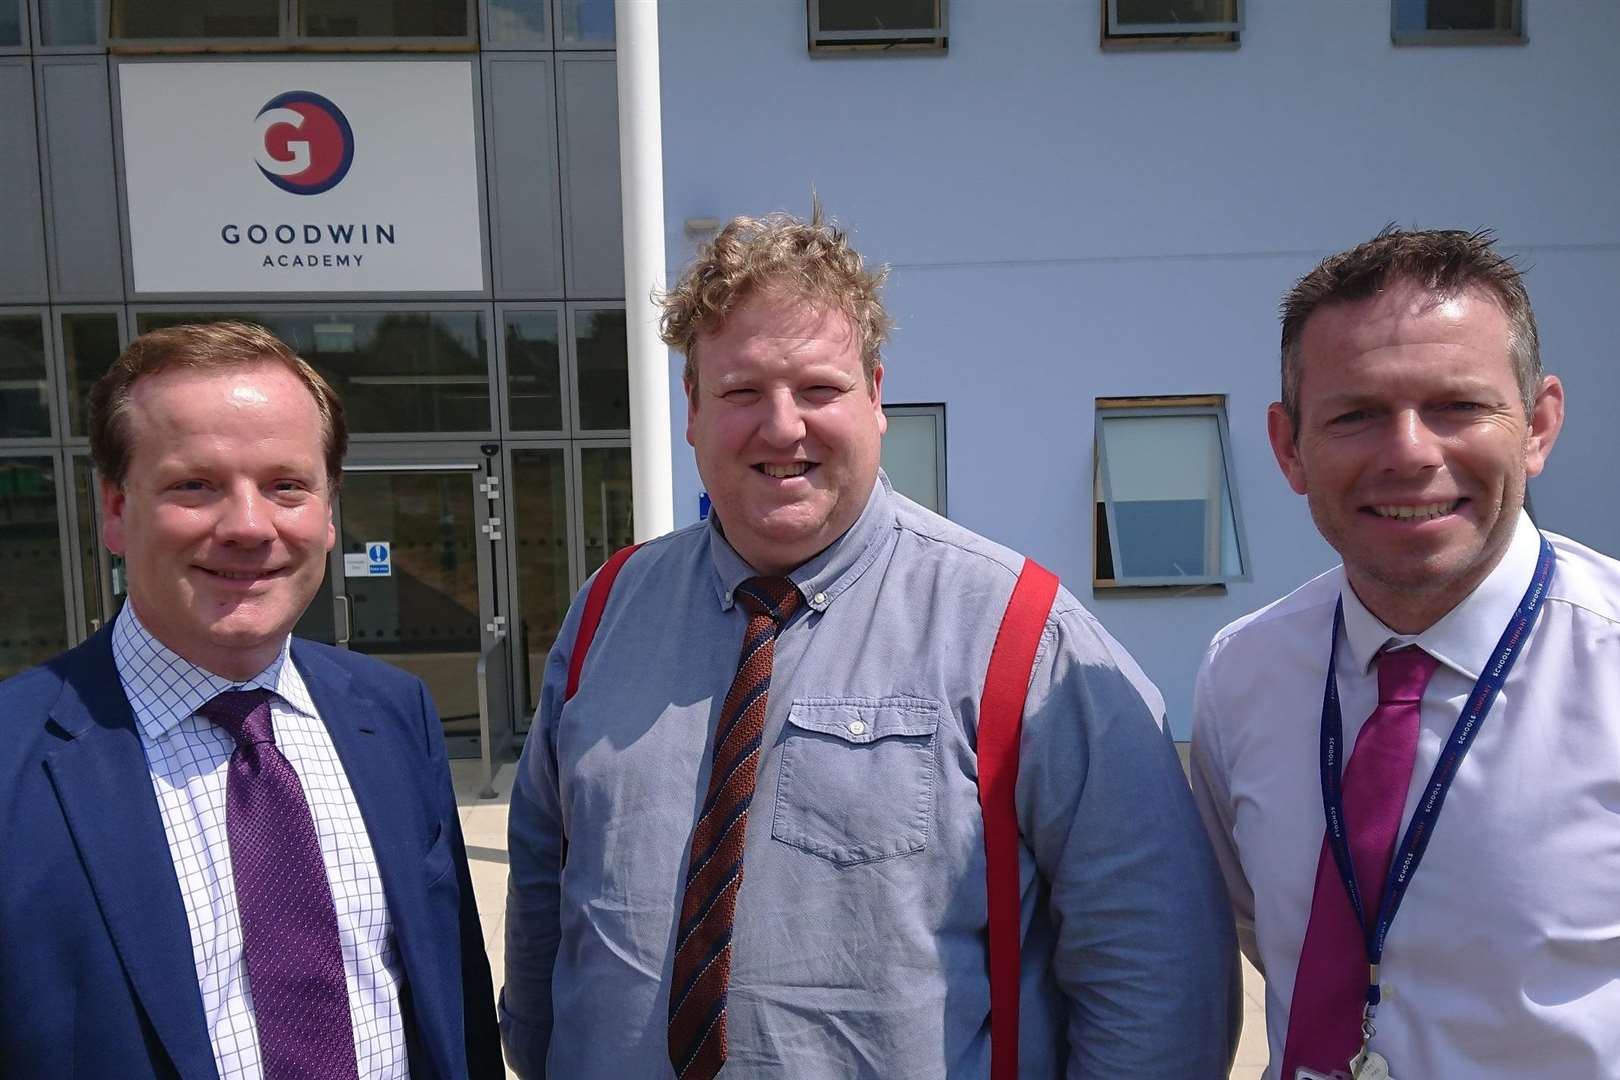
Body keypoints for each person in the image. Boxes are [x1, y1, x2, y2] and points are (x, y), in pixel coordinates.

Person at [501, 210, 1236, 1079]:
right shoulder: (606, 613)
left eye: (819, 388)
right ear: (692, 409)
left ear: (877, 396)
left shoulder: (1024, 635)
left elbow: (1157, 970)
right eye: (741, 392)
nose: (782, 428)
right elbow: (545, 901)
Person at [0, 322, 503, 1079]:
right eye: (194, 485)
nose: (246, 526)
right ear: (114, 509)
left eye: (286, 485)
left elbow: (450, 995)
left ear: (329, 513)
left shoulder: (393, 714)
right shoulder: (16, 754)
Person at [1190, 228, 1620, 1079]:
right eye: (1357, 414)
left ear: (1536, 425)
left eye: (1458, 406)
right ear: (1289, 448)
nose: (1412, 452)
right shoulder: (1242, 674)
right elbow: (1252, 928)